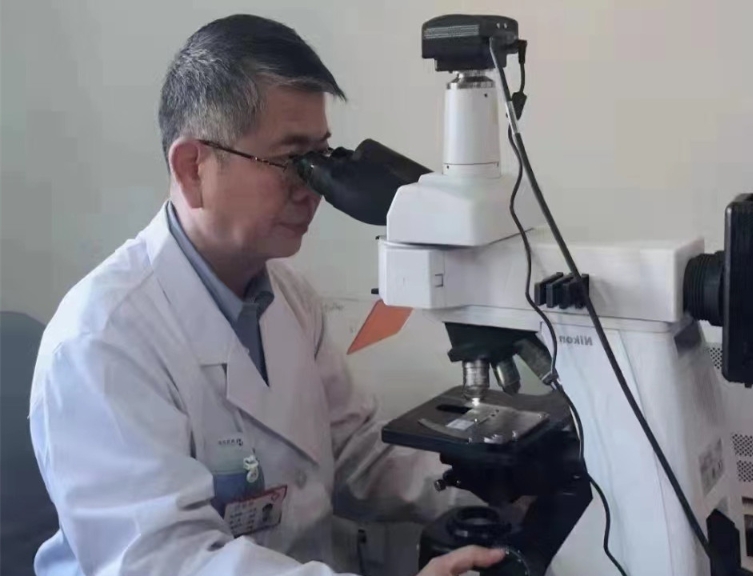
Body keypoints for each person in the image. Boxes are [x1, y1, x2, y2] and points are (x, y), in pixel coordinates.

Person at [28, 14, 507, 576]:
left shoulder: (289, 297)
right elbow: (169, 561)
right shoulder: (101, 341)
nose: (315, 189)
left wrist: (488, 497)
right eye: (291, 161)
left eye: (323, 157)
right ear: (192, 168)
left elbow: (355, 450)